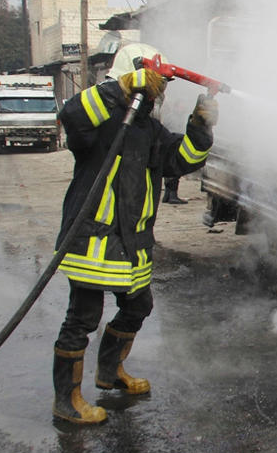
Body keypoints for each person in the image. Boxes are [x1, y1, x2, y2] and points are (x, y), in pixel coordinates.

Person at [52, 43, 218, 424]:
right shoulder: (100, 123)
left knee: (138, 306)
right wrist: (120, 90)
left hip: (132, 244)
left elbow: (182, 160)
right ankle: (67, 400)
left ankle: (110, 374)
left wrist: (201, 125)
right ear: (132, 76)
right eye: (153, 82)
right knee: (82, 318)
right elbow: (71, 115)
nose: (158, 92)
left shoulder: (148, 130)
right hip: (93, 240)